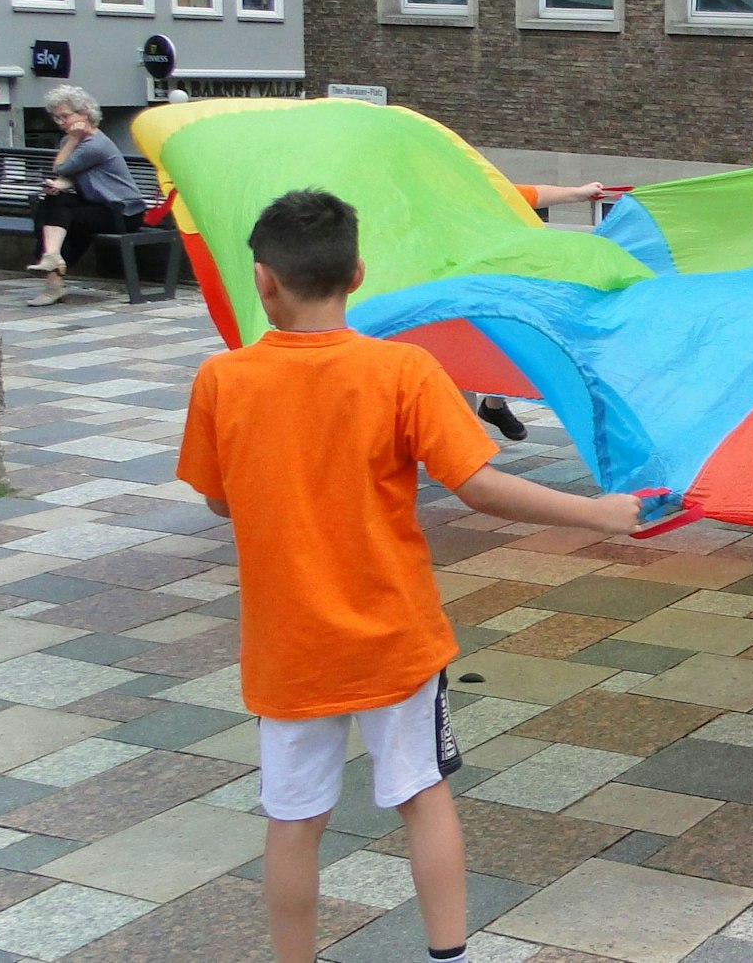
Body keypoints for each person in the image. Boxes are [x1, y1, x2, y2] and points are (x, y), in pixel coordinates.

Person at [176, 189, 647, 963]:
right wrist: (599, 514)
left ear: (263, 280)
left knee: (292, 820)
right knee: (423, 798)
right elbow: (482, 485)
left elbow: (220, 500)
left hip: (289, 649)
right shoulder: (403, 369)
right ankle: (448, 956)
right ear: (357, 271)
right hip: (395, 639)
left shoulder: (222, 382)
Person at [474, 180, 606, 440]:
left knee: (513, 335)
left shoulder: (480, 186)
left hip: (494, 281)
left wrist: (578, 191)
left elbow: (530, 194)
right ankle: (468, 420)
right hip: (450, 285)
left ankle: (493, 405)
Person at [26, 85, 149, 307]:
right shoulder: (69, 141)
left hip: (123, 212)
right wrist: (59, 186)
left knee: (57, 215)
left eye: (64, 116)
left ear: (84, 113)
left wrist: (72, 141)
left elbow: (61, 167)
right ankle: (52, 257)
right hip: (98, 205)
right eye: (56, 118)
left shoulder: (95, 144)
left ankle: (52, 275)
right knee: (51, 203)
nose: (60, 122)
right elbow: (72, 176)